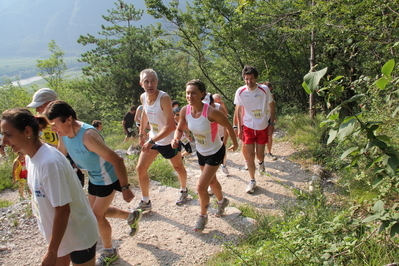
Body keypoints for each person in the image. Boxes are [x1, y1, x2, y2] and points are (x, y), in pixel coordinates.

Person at [44, 101, 142, 266]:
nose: (53, 129)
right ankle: (131, 216)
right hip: (94, 177)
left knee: (96, 216)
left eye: (54, 124)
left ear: (68, 119)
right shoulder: (63, 133)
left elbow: (117, 160)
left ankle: (110, 251)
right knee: (94, 213)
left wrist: (125, 188)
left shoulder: (87, 136)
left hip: (107, 178)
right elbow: (61, 154)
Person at [1, 108, 99, 266]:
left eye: (8, 134)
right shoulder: (31, 157)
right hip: (62, 236)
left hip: (79, 235)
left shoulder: (49, 162)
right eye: (2, 135)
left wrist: (51, 251)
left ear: (27, 131)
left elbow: (63, 209)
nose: (3, 141)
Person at [172, 79, 238, 232]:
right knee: (212, 181)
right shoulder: (184, 110)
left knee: (201, 187)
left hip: (215, 151)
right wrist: (176, 139)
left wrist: (234, 143)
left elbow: (228, 125)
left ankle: (202, 216)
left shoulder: (211, 112)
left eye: (193, 93)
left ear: (202, 94)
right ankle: (222, 202)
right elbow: (180, 128)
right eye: (188, 93)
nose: (190, 96)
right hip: (201, 152)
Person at [136, 68, 188, 210]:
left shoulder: (164, 98)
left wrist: (150, 141)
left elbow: (170, 126)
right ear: (141, 83)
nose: (150, 84)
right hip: (153, 139)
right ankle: (145, 201)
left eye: (153, 81)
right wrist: (142, 135)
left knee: (178, 167)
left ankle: (184, 191)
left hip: (168, 141)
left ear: (157, 82)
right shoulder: (143, 97)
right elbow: (144, 115)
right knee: (140, 168)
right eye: (146, 81)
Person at [27, 88, 85, 187]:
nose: (37, 110)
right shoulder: (39, 122)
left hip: (67, 164)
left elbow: (75, 141)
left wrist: (76, 160)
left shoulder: (65, 121)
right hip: (50, 164)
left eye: (40, 106)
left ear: (51, 103)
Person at [234, 65, 275, 194]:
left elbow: (272, 106)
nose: (249, 82)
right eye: (246, 79)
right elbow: (238, 110)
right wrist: (239, 127)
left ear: (256, 78)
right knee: (250, 155)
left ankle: (261, 162)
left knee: (259, 154)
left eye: (251, 79)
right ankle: (252, 181)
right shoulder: (240, 91)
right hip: (248, 126)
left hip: (262, 125)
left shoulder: (264, 90)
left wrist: (271, 124)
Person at [263, 82, 277, 161]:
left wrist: (273, 117)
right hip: (259, 118)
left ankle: (268, 152)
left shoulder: (271, 96)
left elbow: (272, 107)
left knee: (269, 135)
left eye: (269, 90)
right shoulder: (258, 93)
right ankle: (258, 152)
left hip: (268, 117)